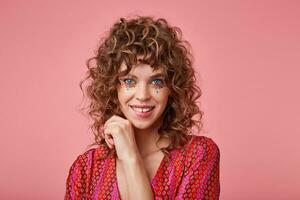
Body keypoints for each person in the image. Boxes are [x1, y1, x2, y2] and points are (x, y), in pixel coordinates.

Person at [65, 15, 220, 200]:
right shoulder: (85, 169)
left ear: (172, 87)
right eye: (129, 81)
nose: (143, 95)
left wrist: (131, 157)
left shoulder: (197, 155)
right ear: (113, 87)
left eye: (156, 81)